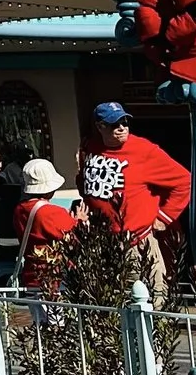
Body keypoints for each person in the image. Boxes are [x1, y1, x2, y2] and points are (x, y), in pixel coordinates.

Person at [80, 103, 190, 298]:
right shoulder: (90, 147)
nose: (122, 127)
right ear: (100, 127)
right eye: (115, 124)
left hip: (137, 242)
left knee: (151, 297)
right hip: (102, 241)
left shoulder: (144, 150)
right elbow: (84, 181)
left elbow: (184, 181)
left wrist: (164, 218)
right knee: (110, 301)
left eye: (125, 122)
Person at [13, 157, 78, 288]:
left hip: (31, 276)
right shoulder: (51, 212)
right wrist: (80, 219)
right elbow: (74, 238)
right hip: (53, 278)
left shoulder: (19, 210)